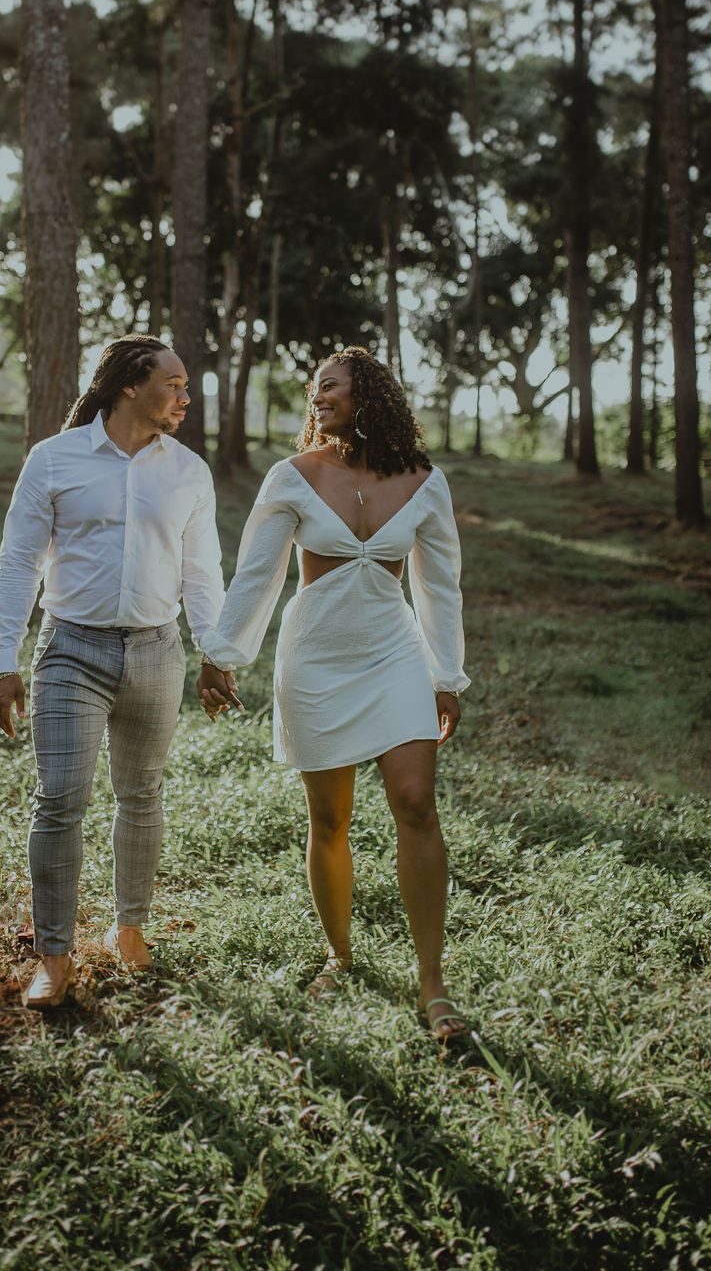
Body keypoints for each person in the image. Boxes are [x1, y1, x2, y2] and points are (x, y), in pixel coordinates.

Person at [196, 346, 472, 1045]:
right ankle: (339, 955)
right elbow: (257, 574)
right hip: (316, 658)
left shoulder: (422, 480)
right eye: (314, 389)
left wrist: (447, 676)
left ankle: (432, 981)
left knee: (415, 804)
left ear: (368, 396)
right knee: (330, 822)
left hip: (394, 654)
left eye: (331, 387)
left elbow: (439, 586)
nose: (317, 398)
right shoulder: (293, 476)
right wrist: (223, 656)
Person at [0, 336, 224, 1009]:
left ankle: (129, 928)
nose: (185, 397)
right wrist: (5, 662)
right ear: (129, 385)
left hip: (157, 650)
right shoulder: (55, 459)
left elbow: (202, 573)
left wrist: (215, 651)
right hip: (71, 651)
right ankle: (54, 957)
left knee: (141, 793)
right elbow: (18, 564)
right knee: (60, 798)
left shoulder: (188, 472)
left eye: (186, 386)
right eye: (174, 384)